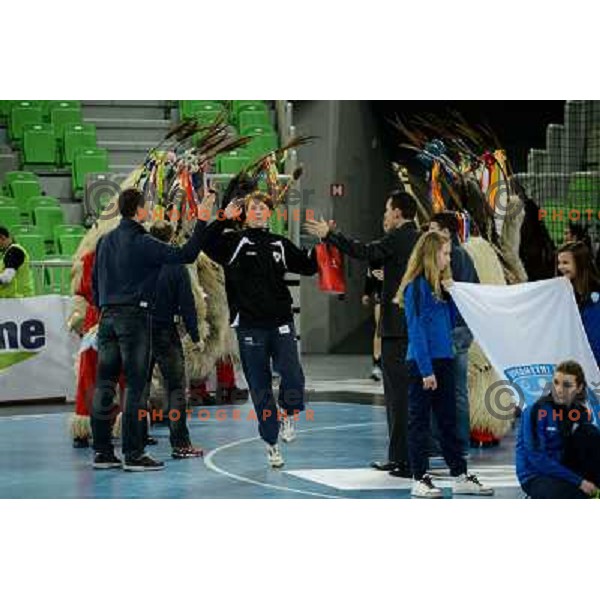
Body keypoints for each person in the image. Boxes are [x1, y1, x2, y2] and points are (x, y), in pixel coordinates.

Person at [90, 187, 218, 472]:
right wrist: (202, 219)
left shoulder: (104, 241)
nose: (149, 210)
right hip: (134, 317)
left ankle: (102, 453)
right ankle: (134, 454)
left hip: (107, 317)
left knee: (105, 384)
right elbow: (186, 254)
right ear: (138, 210)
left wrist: (104, 309)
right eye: (146, 206)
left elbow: (94, 281)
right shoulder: (143, 241)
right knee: (137, 387)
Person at [305, 191, 419, 478]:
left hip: (398, 331)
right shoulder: (415, 239)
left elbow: (364, 251)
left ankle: (403, 460)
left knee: (398, 398)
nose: (385, 215)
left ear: (397, 213)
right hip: (409, 328)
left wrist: (331, 234)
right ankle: (401, 457)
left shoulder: (399, 237)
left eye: (387, 209)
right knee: (400, 397)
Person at [203, 191, 318, 468]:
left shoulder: (280, 243)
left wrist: (323, 242)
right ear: (245, 213)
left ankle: (289, 412)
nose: (257, 211)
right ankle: (271, 443)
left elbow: (309, 266)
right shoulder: (233, 241)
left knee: (292, 372)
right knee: (260, 387)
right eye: (253, 207)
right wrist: (222, 217)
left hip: (280, 321)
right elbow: (204, 243)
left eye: (262, 208)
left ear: (269, 213)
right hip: (249, 325)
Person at [398, 231, 494, 498]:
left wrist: (453, 295)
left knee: (448, 421)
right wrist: (426, 370)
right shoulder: (415, 287)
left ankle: (459, 474)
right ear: (432, 254)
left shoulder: (440, 287)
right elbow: (416, 331)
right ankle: (419, 477)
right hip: (421, 364)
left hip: (445, 360)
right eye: (446, 253)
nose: (449, 258)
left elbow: (451, 322)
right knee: (419, 422)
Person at [142, 220, 204, 459]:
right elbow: (187, 303)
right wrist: (195, 335)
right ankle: (180, 443)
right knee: (176, 388)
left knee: (139, 386)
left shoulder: (139, 264)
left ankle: (136, 439)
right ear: (170, 239)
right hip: (166, 331)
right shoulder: (175, 264)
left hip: (139, 330)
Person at [428, 212, 479, 456]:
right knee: (454, 390)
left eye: (433, 229)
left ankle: (453, 443)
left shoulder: (454, 257)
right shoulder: (463, 256)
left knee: (452, 389)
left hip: (453, 330)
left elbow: (454, 295)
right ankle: (455, 443)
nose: (428, 233)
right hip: (460, 329)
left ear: (447, 232)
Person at [516, 360, 600, 499]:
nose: (559, 389)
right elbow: (537, 458)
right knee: (576, 496)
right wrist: (580, 482)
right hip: (536, 475)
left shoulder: (580, 412)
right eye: (556, 382)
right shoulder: (536, 411)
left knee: (589, 432)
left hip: (563, 469)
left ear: (579, 388)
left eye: (567, 385)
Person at [556, 241, 600, 366]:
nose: (560, 267)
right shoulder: (563, 292)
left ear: (580, 264)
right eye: (559, 263)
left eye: (565, 263)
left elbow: (594, 338)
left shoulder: (595, 297)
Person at [362, 261, 383, 381]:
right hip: (382, 297)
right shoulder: (376, 257)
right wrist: (366, 293)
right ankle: (377, 364)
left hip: (400, 298)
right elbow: (370, 275)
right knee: (379, 330)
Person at [0, 226, 34, 298]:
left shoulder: (14, 251)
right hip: (13, 299)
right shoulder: (7, 253)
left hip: (19, 299)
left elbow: (7, 277)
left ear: (2, 238)